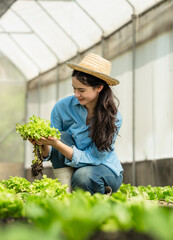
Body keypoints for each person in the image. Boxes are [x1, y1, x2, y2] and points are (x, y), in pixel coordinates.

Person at [33, 53, 123, 195]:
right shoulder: (62, 107)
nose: (76, 94)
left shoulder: (113, 117)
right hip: (73, 168)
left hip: (103, 168)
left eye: (81, 90)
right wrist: (43, 143)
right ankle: (66, 193)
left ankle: (99, 200)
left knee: (83, 176)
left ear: (99, 88)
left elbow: (94, 158)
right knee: (60, 135)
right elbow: (52, 152)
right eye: (74, 88)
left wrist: (57, 144)